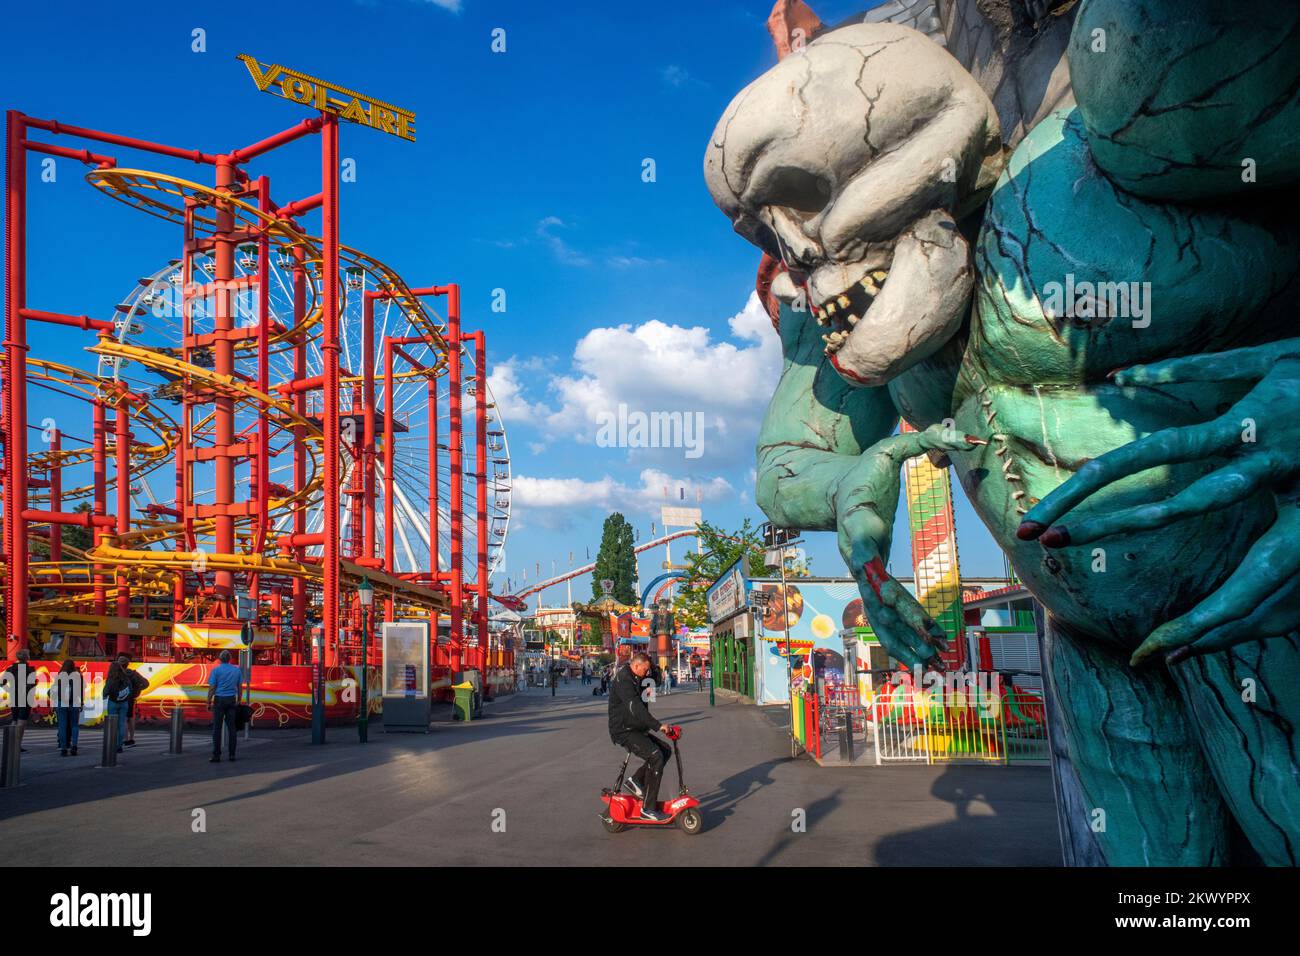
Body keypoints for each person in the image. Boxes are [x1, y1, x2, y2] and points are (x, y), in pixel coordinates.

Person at [607, 651, 672, 822]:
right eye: (644, 670)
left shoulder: (639, 676)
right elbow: (635, 708)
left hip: (635, 727)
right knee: (656, 756)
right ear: (636, 666)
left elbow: (655, 683)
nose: (646, 673)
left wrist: (654, 668)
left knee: (665, 750)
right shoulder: (624, 680)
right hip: (624, 730)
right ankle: (648, 809)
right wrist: (658, 726)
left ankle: (635, 781)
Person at [206, 649, 244, 763]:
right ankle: (232, 755)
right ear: (230, 659)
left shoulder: (216, 670)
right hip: (231, 700)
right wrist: (239, 699)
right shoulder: (236, 671)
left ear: (220, 659)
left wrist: (208, 701)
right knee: (232, 728)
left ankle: (216, 755)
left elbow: (212, 688)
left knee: (216, 729)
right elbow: (240, 686)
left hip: (219, 700)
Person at [3, 649, 34, 753]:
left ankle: (11, 743)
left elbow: (2, 683)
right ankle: (17, 744)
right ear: (26, 657)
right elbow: (31, 685)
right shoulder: (30, 670)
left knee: (14, 719)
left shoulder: (10, 669)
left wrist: (10, 690)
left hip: (14, 696)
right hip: (25, 698)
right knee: (22, 721)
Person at [52, 659, 85, 757]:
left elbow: (53, 691)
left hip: (61, 703)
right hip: (74, 703)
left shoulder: (60, 676)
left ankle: (63, 749)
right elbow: (81, 691)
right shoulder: (78, 676)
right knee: (74, 726)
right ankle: (74, 746)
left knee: (62, 726)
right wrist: (81, 702)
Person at [117, 653, 149, 747]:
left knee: (124, 719)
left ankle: (125, 740)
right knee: (130, 718)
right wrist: (137, 691)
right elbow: (146, 683)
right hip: (131, 698)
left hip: (122, 698)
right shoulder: (134, 673)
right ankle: (131, 739)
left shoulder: (119, 674)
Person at [102, 658, 133, 754]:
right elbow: (130, 689)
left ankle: (112, 743)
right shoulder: (126, 677)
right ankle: (119, 745)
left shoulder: (111, 678)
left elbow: (105, 692)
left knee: (112, 725)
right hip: (124, 703)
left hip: (113, 702)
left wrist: (104, 695)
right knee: (121, 723)